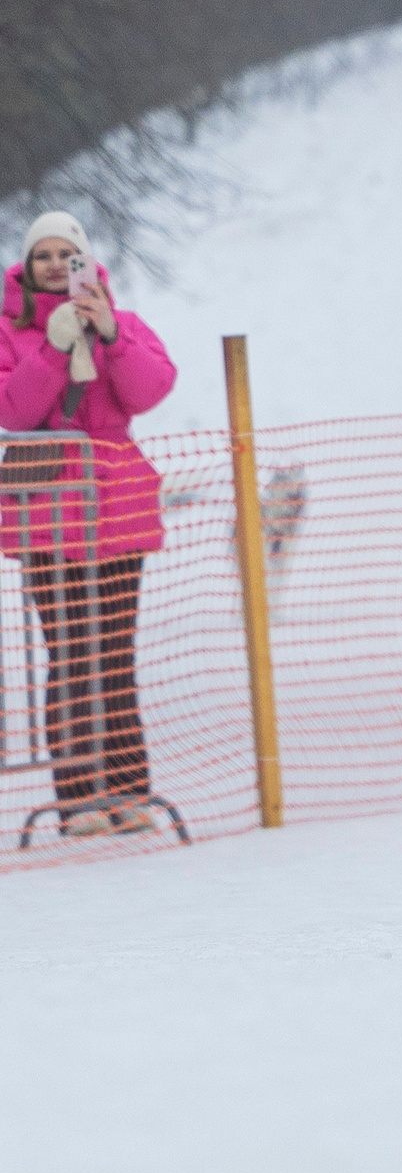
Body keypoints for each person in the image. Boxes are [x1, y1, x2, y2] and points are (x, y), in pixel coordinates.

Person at [0, 213, 178, 836]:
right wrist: (51, 346)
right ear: (24, 269)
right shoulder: (7, 332)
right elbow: (13, 411)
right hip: (48, 511)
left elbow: (150, 390)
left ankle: (129, 790)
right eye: (42, 255)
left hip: (116, 507)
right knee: (70, 654)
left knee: (113, 652)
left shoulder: (123, 326)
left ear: (87, 263)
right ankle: (77, 798)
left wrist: (109, 336)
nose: (54, 265)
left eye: (66, 254)